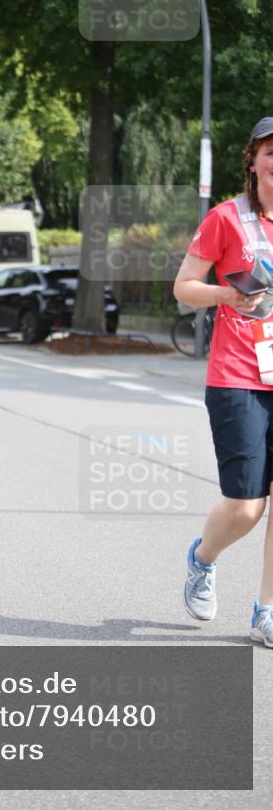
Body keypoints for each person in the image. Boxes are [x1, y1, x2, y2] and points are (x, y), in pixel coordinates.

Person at [174, 115, 273, 649]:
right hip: (238, 376)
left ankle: (267, 610)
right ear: (253, 160)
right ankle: (202, 557)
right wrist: (226, 295)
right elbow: (184, 286)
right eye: (271, 152)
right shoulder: (227, 218)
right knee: (246, 506)